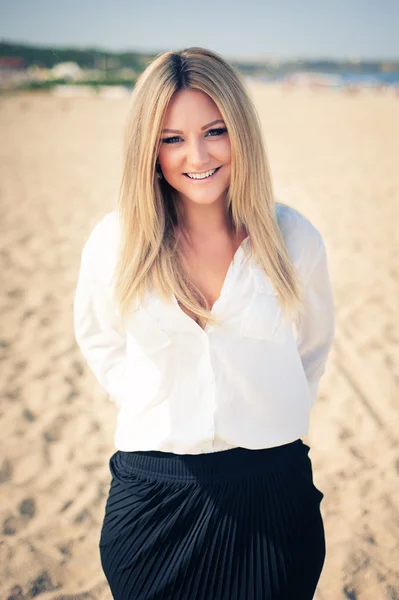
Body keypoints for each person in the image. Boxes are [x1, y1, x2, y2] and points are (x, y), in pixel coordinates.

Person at [73, 47, 335, 600]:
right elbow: (99, 338)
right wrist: (154, 400)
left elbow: (312, 346)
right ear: (149, 148)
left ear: (241, 130)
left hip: (274, 496)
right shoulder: (115, 242)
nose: (196, 154)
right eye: (171, 138)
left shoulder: (293, 239)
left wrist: (270, 412)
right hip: (155, 502)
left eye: (214, 130)